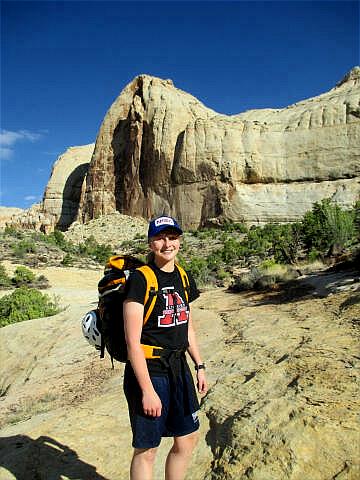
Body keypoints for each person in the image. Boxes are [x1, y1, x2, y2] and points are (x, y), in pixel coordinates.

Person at [123, 215, 208, 480]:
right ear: (150, 244)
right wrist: (147, 390)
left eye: (172, 237)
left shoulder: (184, 277)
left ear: (179, 241)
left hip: (178, 369)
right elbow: (132, 343)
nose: (167, 243)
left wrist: (200, 365)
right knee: (147, 449)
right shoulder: (140, 279)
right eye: (160, 238)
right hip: (150, 372)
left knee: (187, 440)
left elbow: (188, 326)